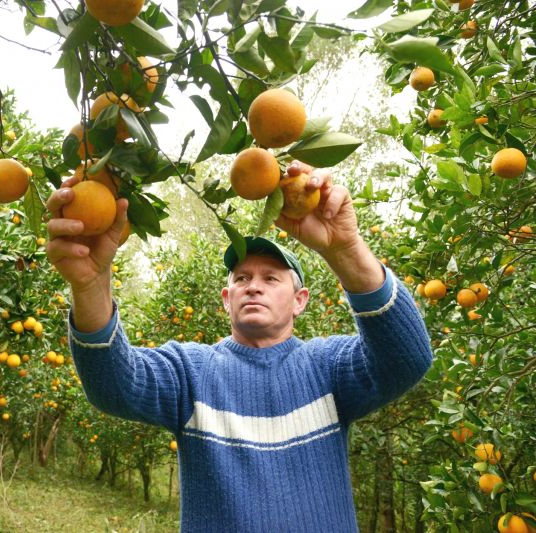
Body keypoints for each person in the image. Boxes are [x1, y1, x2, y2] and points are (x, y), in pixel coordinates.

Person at [45, 161, 433, 532]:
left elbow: (407, 359)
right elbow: (114, 386)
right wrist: (91, 285)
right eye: (243, 277)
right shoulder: (190, 373)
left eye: (271, 278)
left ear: (300, 301)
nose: (254, 285)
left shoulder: (327, 369)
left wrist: (346, 249)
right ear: (227, 299)